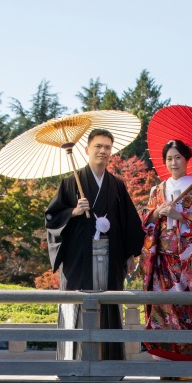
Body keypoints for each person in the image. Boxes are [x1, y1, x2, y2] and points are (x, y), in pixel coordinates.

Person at [45, 129, 145, 361]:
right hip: (78, 257)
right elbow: (51, 217)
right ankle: (72, 363)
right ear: (87, 149)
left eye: (107, 147)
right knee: (75, 303)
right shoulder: (71, 182)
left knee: (108, 304)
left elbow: (128, 220)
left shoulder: (117, 185)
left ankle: (108, 364)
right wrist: (74, 211)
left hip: (110, 256)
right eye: (98, 146)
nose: (103, 151)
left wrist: (130, 254)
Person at [141, 139, 192, 364]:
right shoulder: (158, 189)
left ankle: (191, 357)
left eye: (178, 158)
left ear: (187, 160)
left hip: (189, 259)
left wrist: (180, 216)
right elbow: (146, 219)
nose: (173, 163)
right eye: (169, 159)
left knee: (190, 306)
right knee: (163, 304)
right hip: (163, 260)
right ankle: (165, 356)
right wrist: (156, 213)